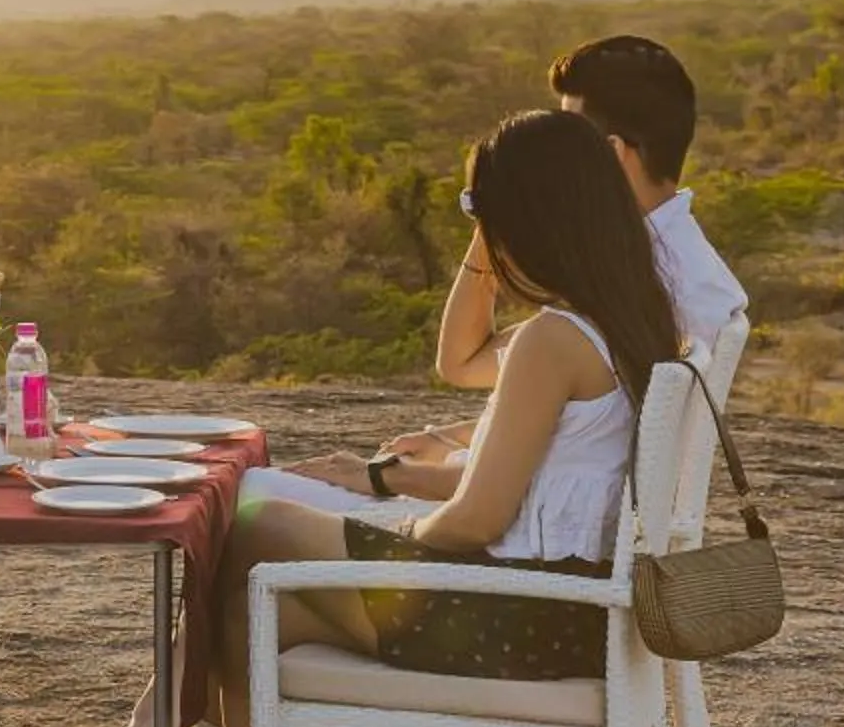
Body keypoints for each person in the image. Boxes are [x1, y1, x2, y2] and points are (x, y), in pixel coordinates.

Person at [0, 110, 682, 727]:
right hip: (566, 612)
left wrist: (378, 545)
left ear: (525, 219)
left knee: (253, 528)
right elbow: (528, 492)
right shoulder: (634, 317)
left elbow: (475, 521)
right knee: (254, 581)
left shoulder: (553, 340)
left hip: (523, 618)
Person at [286, 33, 747, 509]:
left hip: (537, 537)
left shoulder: (656, 282)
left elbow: (558, 484)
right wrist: (499, 217)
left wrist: (394, 477)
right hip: (546, 519)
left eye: (567, 139)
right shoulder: (680, 264)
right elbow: (472, 366)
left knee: (263, 503)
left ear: (608, 157)